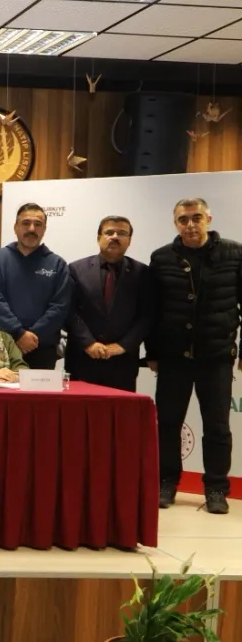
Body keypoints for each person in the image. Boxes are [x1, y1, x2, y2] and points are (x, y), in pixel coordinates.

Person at [148, 198, 241, 514]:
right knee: (167, 424)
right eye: (183, 219)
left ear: (208, 219)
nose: (190, 225)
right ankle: (166, 483)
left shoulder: (235, 253)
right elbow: (153, 311)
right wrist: (153, 352)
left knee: (217, 427)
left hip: (216, 356)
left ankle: (216, 489)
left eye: (196, 218)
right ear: (175, 223)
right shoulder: (161, 258)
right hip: (173, 357)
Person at [65, 216, 153, 393]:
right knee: (80, 410)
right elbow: (69, 311)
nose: (115, 237)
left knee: (120, 411)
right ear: (99, 238)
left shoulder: (142, 272)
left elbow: (147, 315)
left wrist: (123, 346)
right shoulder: (75, 269)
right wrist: (89, 343)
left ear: (129, 240)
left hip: (123, 362)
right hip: (82, 359)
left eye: (122, 233)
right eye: (109, 232)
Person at [0, 202, 73, 370]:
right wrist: (18, 333)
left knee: (39, 389)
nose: (32, 228)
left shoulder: (57, 264)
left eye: (38, 224)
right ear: (15, 227)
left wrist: (33, 336)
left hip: (42, 348)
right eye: (26, 223)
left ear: (44, 229)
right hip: (3, 347)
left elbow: (60, 307)